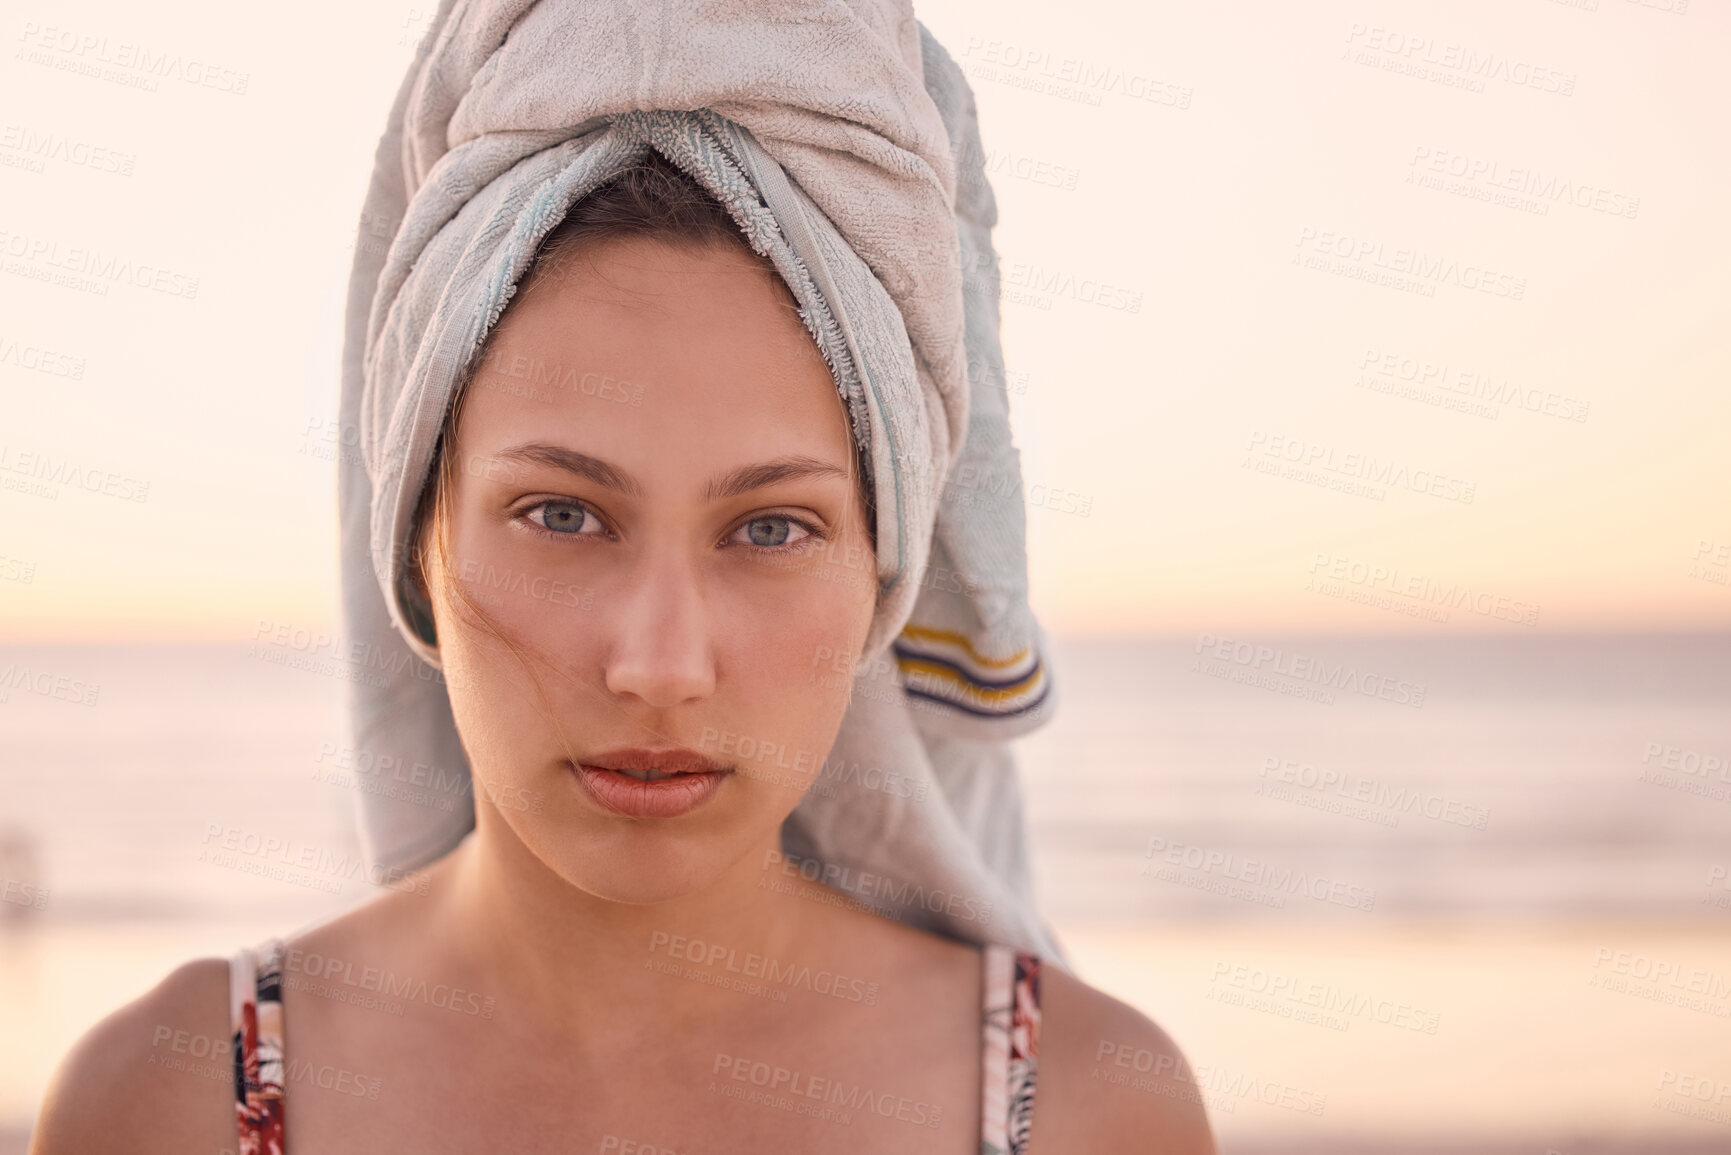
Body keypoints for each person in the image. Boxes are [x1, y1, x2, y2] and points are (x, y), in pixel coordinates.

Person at [29, 6, 1217, 1152]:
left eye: (771, 529)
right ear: (415, 538)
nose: (659, 665)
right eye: (562, 514)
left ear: (883, 576)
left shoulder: (1082, 1112)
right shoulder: (169, 1105)